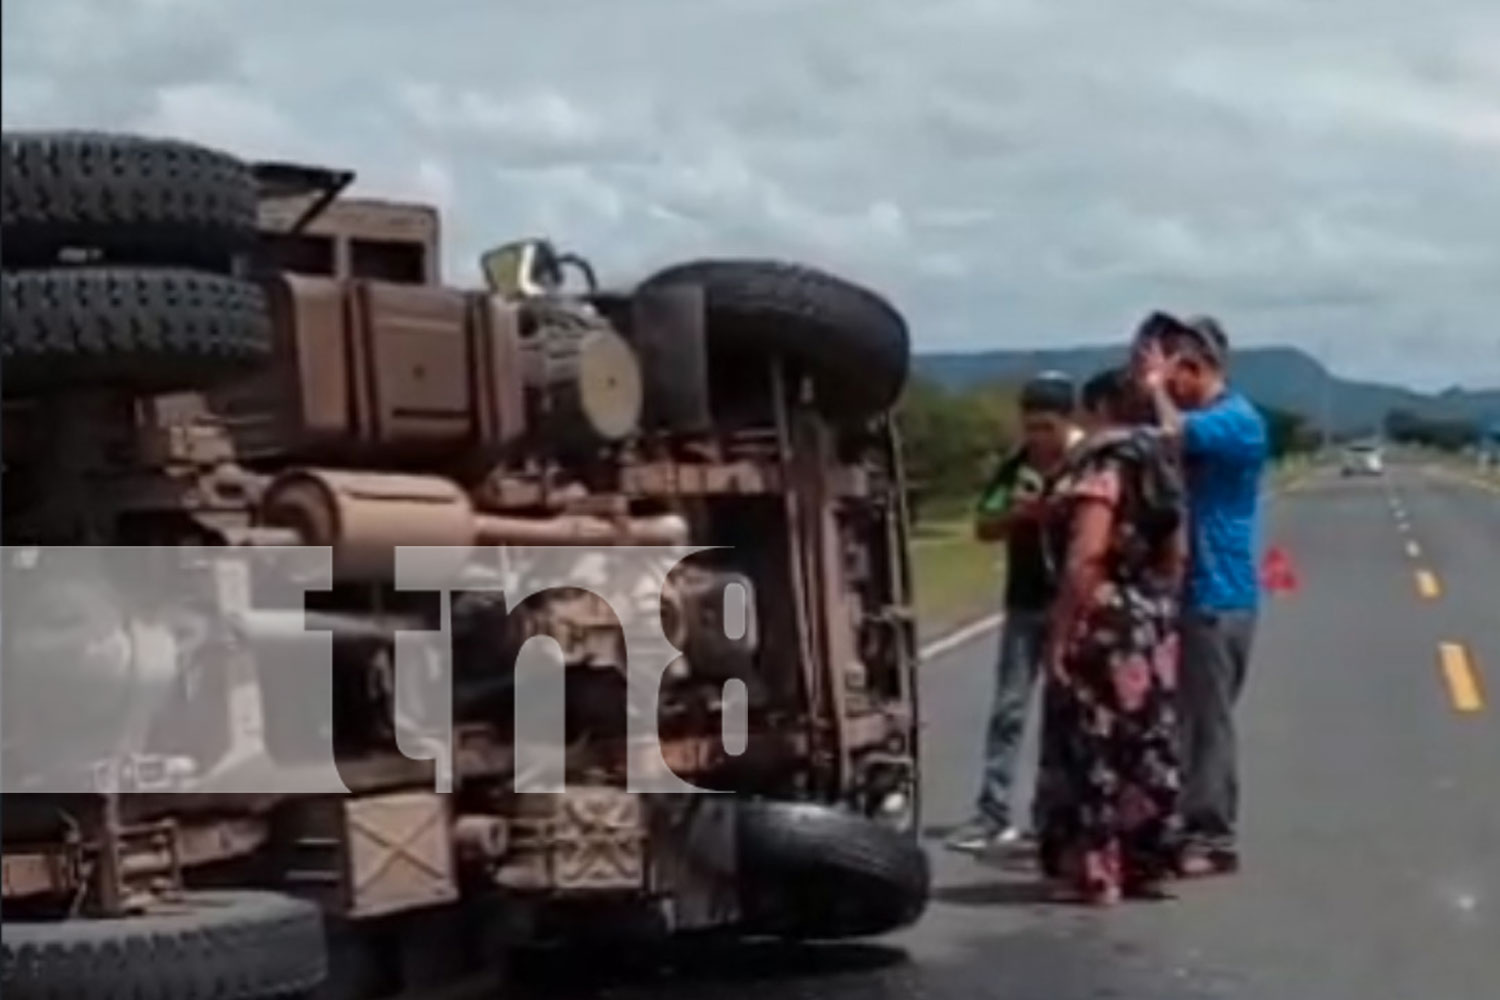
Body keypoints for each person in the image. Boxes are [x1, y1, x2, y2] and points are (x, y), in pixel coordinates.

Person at [1032, 366, 1188, 905]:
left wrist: (1062, 631)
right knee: (1144, 741)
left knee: (1090, 743)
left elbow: (1086, 554)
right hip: (1149, 618)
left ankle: (1098, 869)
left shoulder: (1103, 466)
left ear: (1098, 411)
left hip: (1102, 619)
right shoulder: (1160, 466)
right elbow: (1176, 553)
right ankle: (1147, 858)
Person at [1134, 314, 1269, 876]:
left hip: (1219, 593)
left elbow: (1173, 438)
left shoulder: (1236, 421)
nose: (1169, 388)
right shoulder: (1207, 417)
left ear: (1195, 367)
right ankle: (1185, 818)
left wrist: (1157, 392)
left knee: (1208, 720)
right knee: (1185, 717)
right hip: (1194, 591)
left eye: (1174, 374)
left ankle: (1213, 833)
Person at [946, 372, 1082, 854]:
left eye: (1047, 426)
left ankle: (1059, 814)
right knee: (1009, 710)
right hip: (1026, 601)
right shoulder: (1016, 468)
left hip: (1076, 604)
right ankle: (993, 811)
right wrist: (1018, 517)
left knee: (1069, 716)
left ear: (1069, 422)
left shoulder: (1087, 464)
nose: (1038, 437)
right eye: (1030, 427)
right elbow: (984, 525)